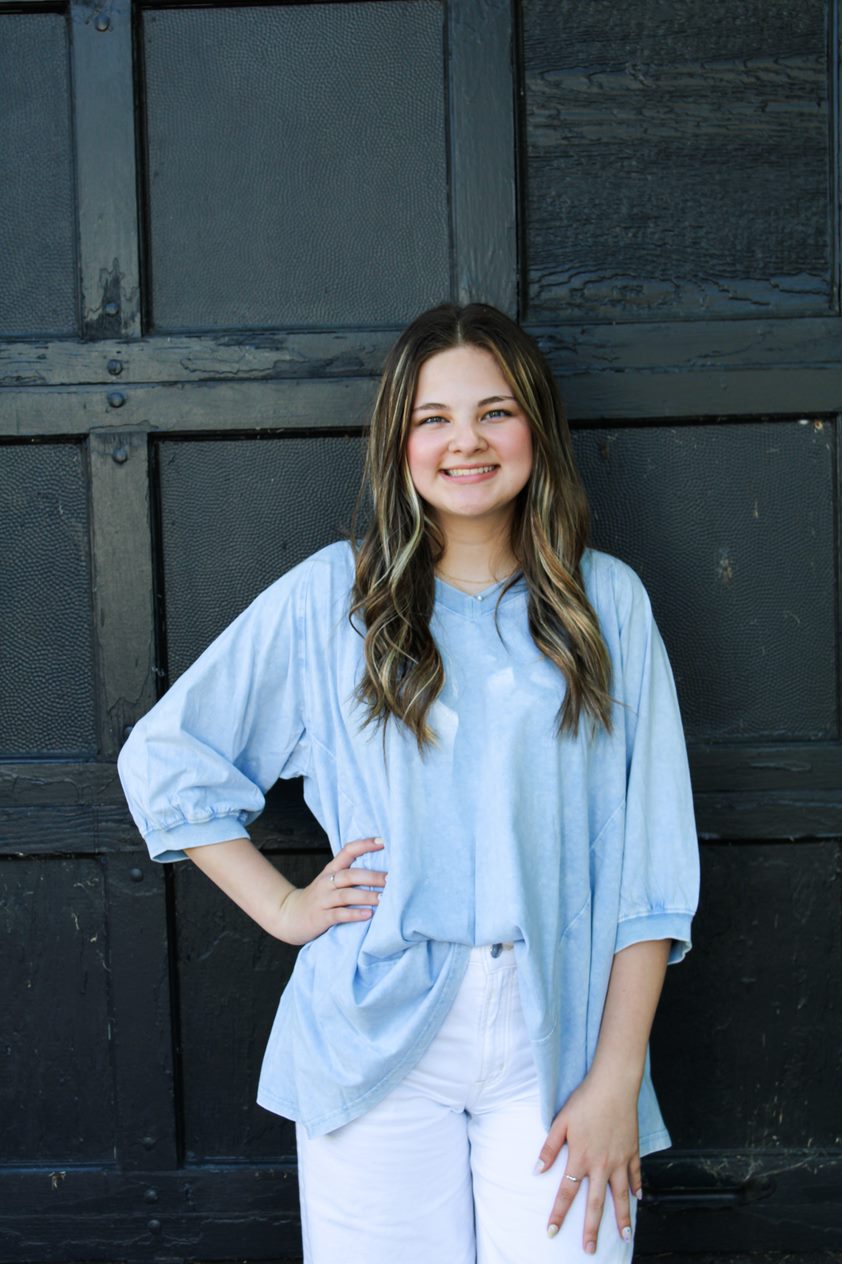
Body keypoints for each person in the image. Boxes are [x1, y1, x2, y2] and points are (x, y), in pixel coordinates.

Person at [118, 302, 700, 1264]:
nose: (464, 442)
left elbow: (650, 877)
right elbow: (167, 756)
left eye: (494, 412)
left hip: (561, 1038)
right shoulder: (331, 600)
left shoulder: (609, 606)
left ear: (536, 431)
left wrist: (616, 1079)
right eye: (433, 418)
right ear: (398, 442)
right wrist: (285, 907)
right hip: (373, 1033)